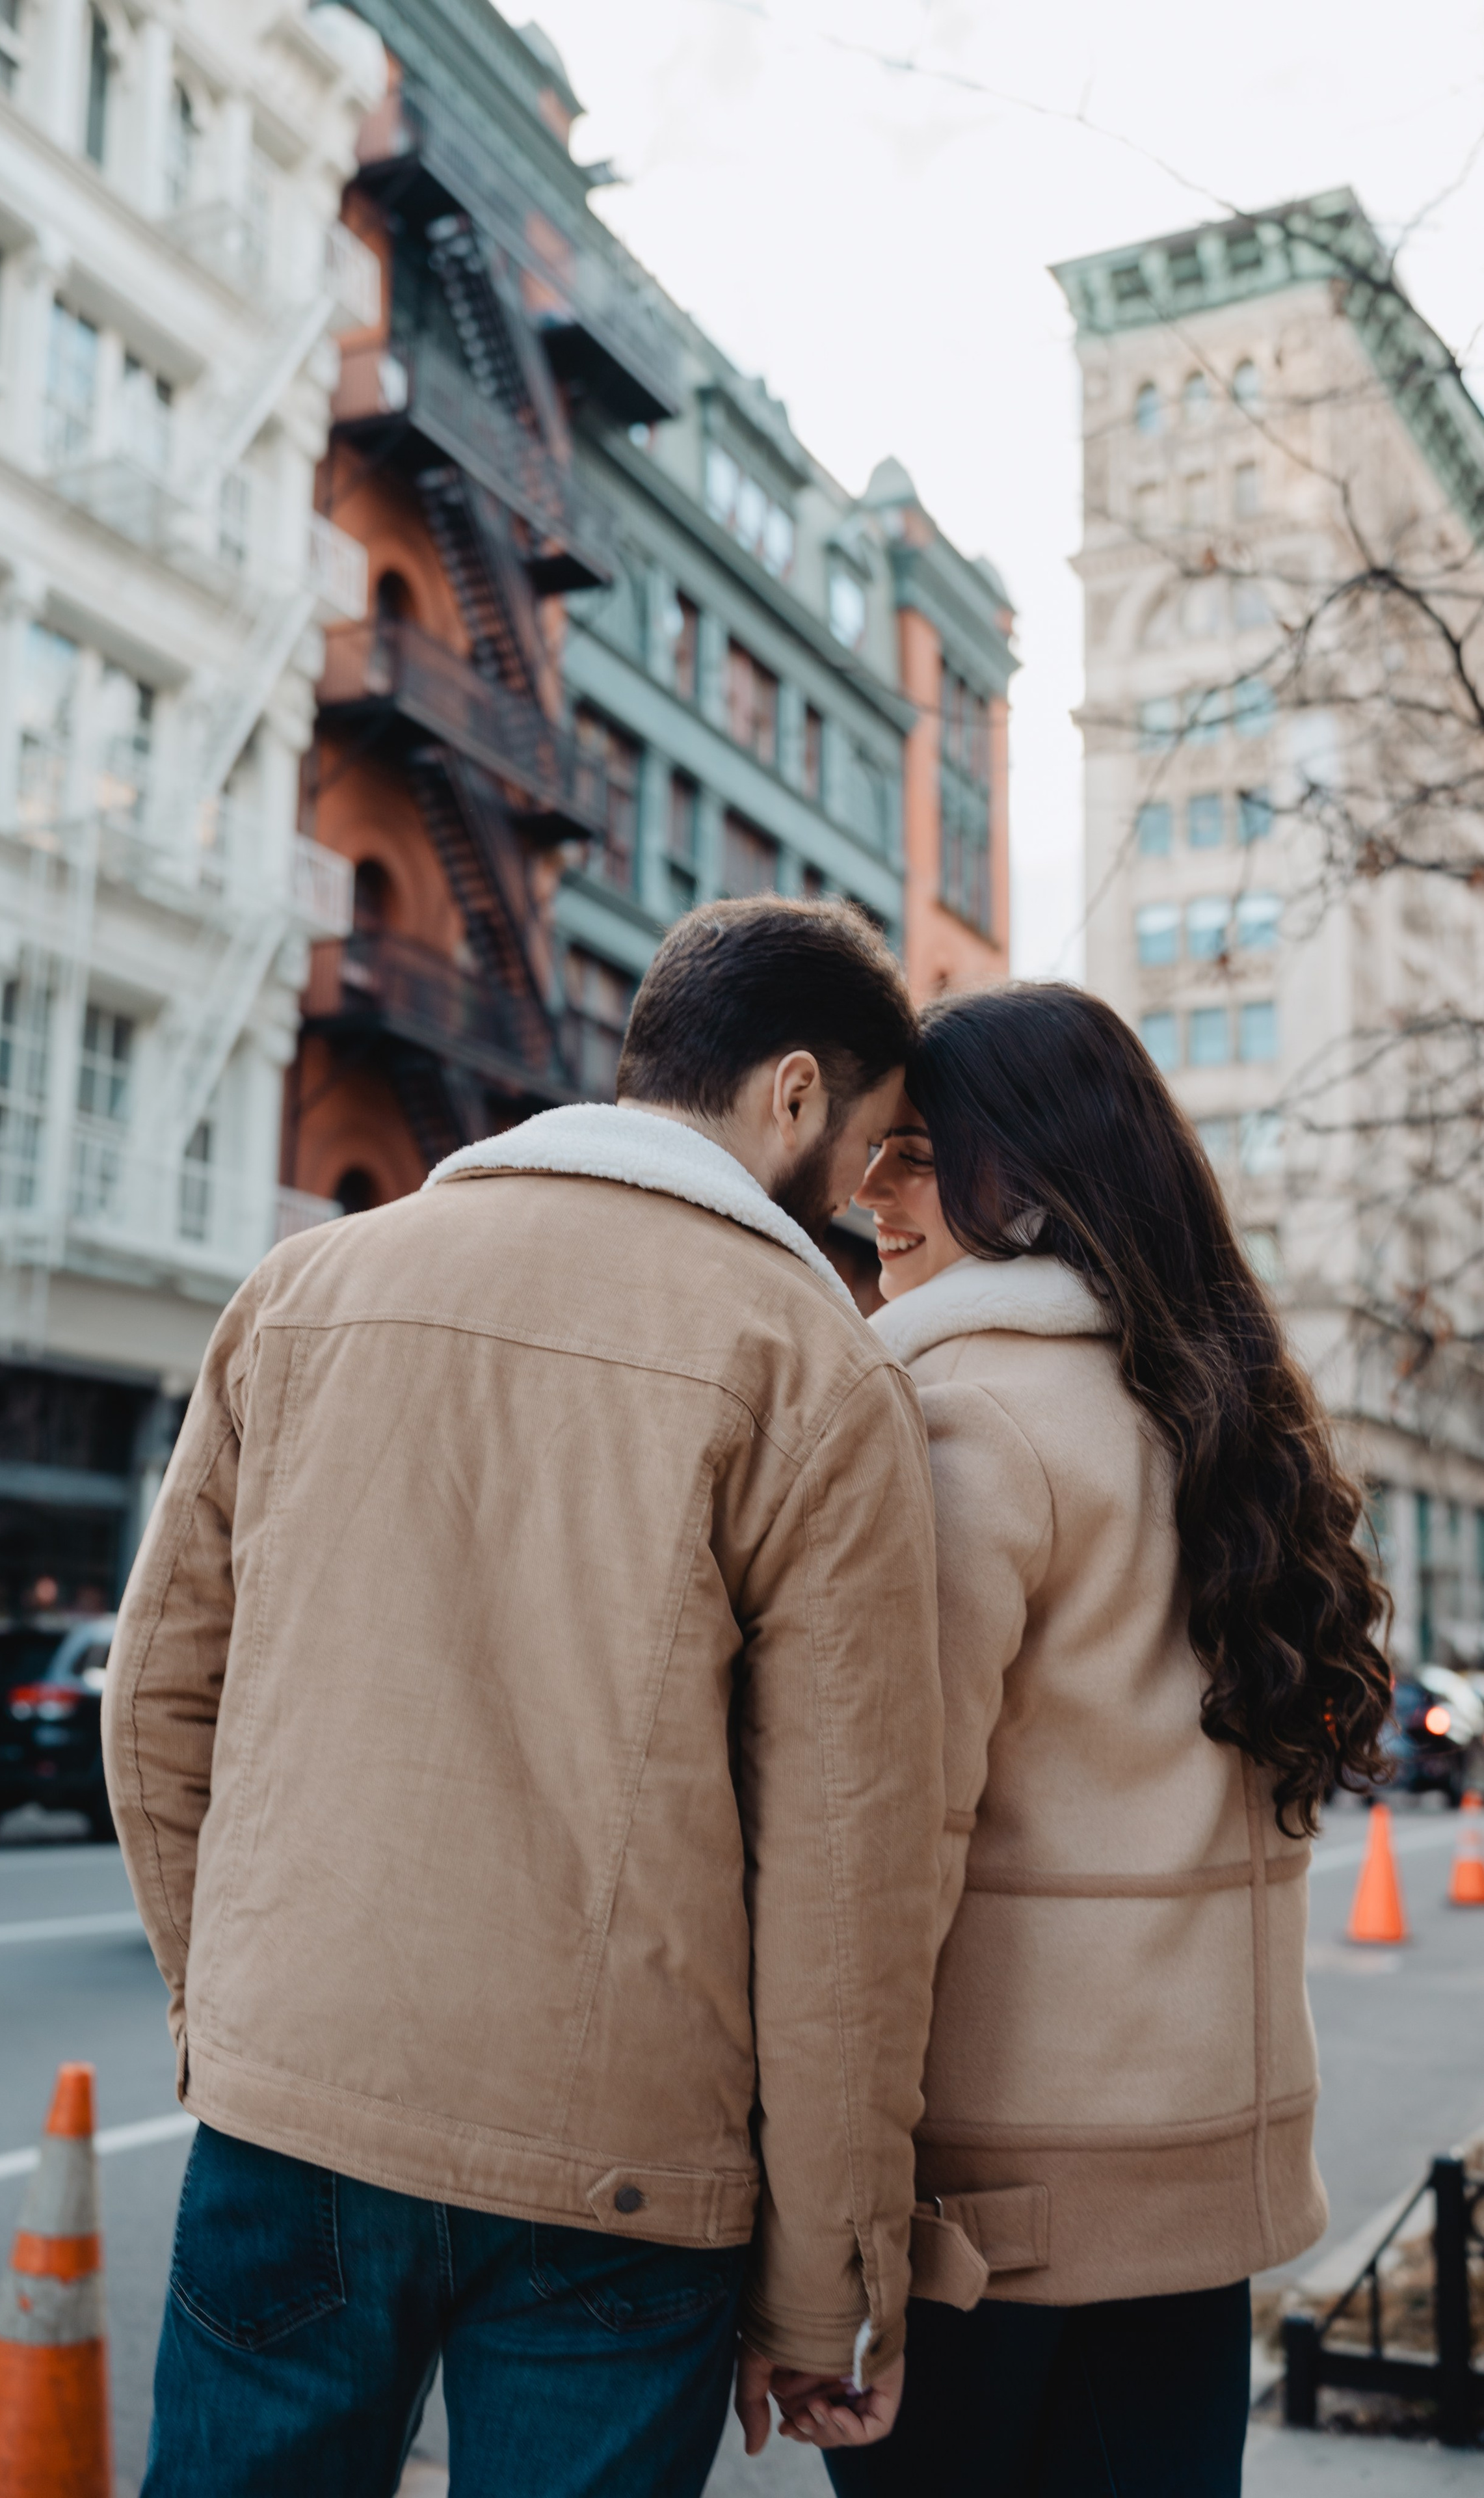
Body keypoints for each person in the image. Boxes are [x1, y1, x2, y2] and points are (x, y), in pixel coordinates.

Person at [101, 897, 944, 2498]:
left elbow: (153, 1706)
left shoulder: (306, 1286)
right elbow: (845, 1882)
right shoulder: (816, 1369)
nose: (860, 1188)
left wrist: (234, 2014)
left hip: (297, 2108)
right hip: (621, 2173)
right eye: (869, 1138)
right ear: (787, 1094)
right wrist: (823, 2285)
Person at [776, 982, 1390, 2493]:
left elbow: (871, 1864)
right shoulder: (1223, 1408)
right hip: (1196, 2195)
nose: (868, 1198)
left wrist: (816, 2251)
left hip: (988, 2218)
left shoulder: (956, 1417)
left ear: (1027, 1172)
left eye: (915, 1154)